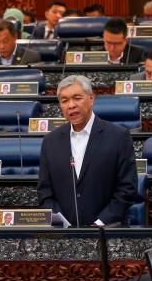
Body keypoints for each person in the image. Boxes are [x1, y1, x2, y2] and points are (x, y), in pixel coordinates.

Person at [37, 75, 137, 227]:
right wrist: (63, 224)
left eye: (77, 98)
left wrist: (99, 224)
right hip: (64, 237)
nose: (71, 105)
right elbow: (45, 193)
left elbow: (127, 189)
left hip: (108, 234)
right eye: (65, 101)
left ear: (91, 98)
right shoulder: (50, 141)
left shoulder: (118, 137)